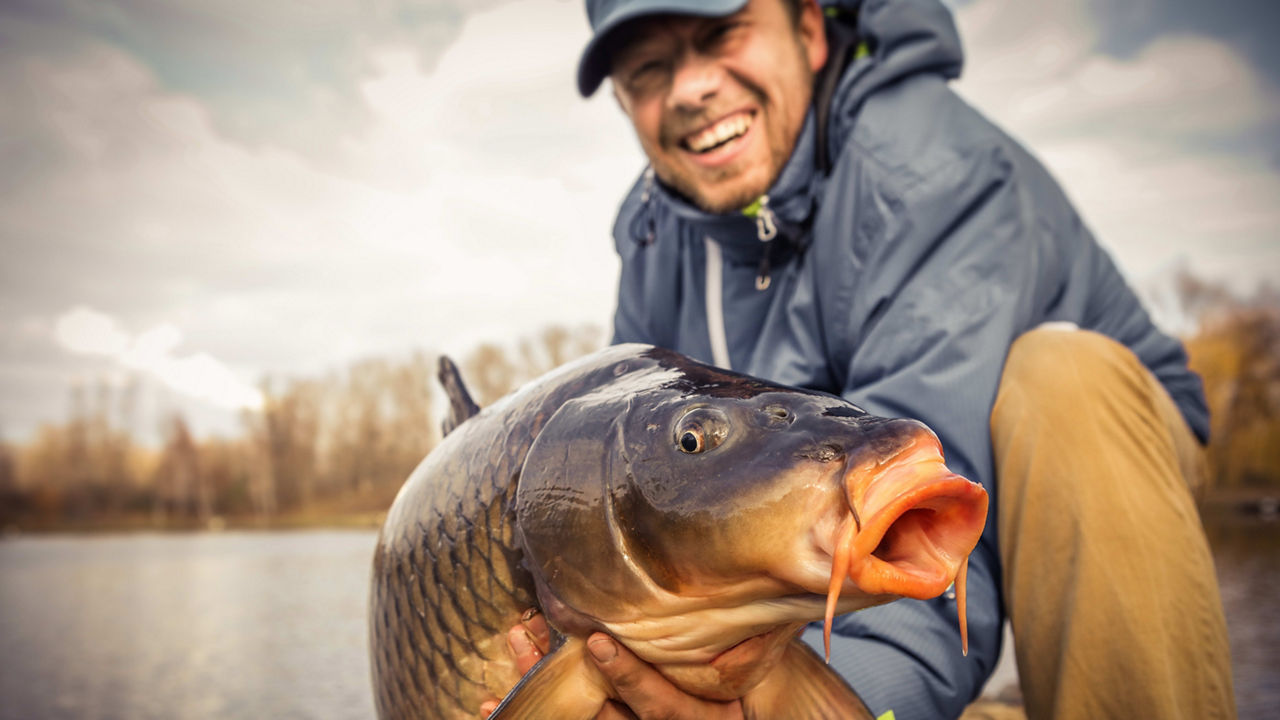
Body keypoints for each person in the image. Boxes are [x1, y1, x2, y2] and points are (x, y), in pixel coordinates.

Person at [489, 0, 1237, 718]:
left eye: (722, 33)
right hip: (817, 482)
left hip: (1103, 455)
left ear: (808, 28)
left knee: (1064, 380)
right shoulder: (652, 236)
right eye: (648, 69)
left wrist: (789, 708)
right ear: (625, 103)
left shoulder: (929, 172)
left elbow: (919, 527)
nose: (691, 88)